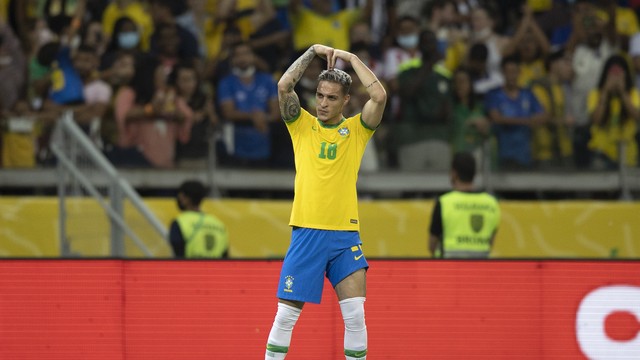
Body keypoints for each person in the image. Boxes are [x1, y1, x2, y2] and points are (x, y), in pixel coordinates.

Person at [264, 43, 386, 360]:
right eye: (320, 95)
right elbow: (284, 85)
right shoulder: (301, 125)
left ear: (346, 100)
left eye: (332, 98)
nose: (323, 103)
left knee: (355, 315)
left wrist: (353, 59)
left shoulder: (357, 130)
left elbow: (379, 97)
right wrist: (312, 51)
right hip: (307, 232)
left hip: (345, 236)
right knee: (286, 316)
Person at [428, 151, 501, 258]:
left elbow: (432, 246)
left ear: (454, 173)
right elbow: (490, 243)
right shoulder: (491, 203)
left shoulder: (444, 202)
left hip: (449, 269)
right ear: (474, 174)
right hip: (480, 269)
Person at [168, 180, 229, 258]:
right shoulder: (219, 224)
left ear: (185, 198)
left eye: (180, 196)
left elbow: (178, 253)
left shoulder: (180, 222)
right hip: (215, 269)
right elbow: (225, 256)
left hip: (190, 268)